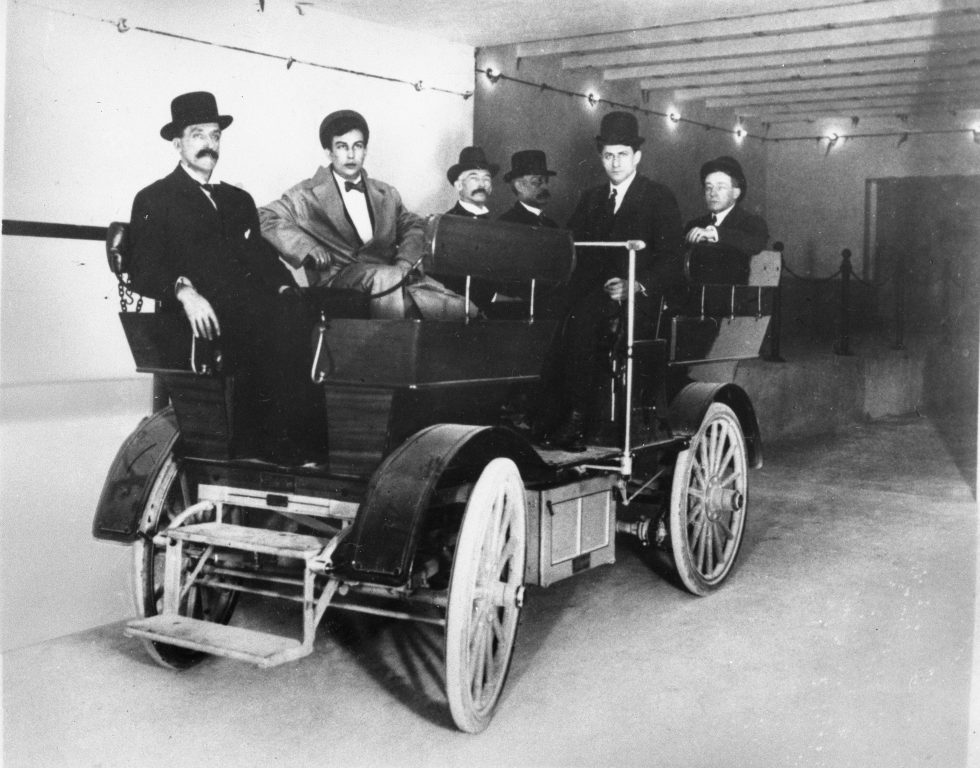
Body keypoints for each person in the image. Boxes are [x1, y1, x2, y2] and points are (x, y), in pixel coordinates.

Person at [128, 91, 321, 463]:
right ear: (177, 142)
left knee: (309, 309)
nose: (209, 145)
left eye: (215, 136)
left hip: (248, 304)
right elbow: (144, 268)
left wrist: (285, 286)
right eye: (198, 135)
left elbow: (260, 257)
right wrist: (185, 292)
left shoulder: (238, 200)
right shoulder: (154, 199)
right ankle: (267, 447)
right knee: (266, 321)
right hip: (197, 313)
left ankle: (302, 445)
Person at [541, 111, 683, 451]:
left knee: (583, 320)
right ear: (600, 157)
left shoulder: (658, 197)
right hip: (591, 290)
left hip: (639, 299)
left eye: (622, 155)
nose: (615, 162)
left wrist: (635, 284)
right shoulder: (591, 198)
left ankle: (578, 420)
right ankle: (544, 415)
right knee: (547, 314)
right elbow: (572, 246)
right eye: (608, 155)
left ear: (637, 156)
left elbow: (673, 260)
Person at [259, 110, 427, 319]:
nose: (350, 155)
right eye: (342, 146)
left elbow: (415, 225)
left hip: (390, 275)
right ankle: (389, 351)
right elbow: (263, 217)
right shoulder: (305, 194)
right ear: (329, 153)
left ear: (365, 150)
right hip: (338, 279)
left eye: (357, 146)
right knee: (389, 277)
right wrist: (306, 246)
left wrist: (405, 262)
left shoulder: (387, 193)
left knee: (458, 307)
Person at [684, 155, 769, 267]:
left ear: (736, 193)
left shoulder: (752, 222)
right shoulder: (694, 225)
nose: (712, 193)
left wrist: (714, 233)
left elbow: (755, 243)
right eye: (709, 187)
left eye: (720, 187)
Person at [498, 150, 558, 228]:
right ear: (519, 186)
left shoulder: (552, 225)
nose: (545, 186)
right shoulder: (507, 223)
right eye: (537, 181)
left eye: (546, 181)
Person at [445, 146, 498, 218]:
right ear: (459, 185)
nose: (482, 184)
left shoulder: (494, 223)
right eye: (474, 178)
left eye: (486, 179)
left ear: (491, 188)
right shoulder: (448, 222)